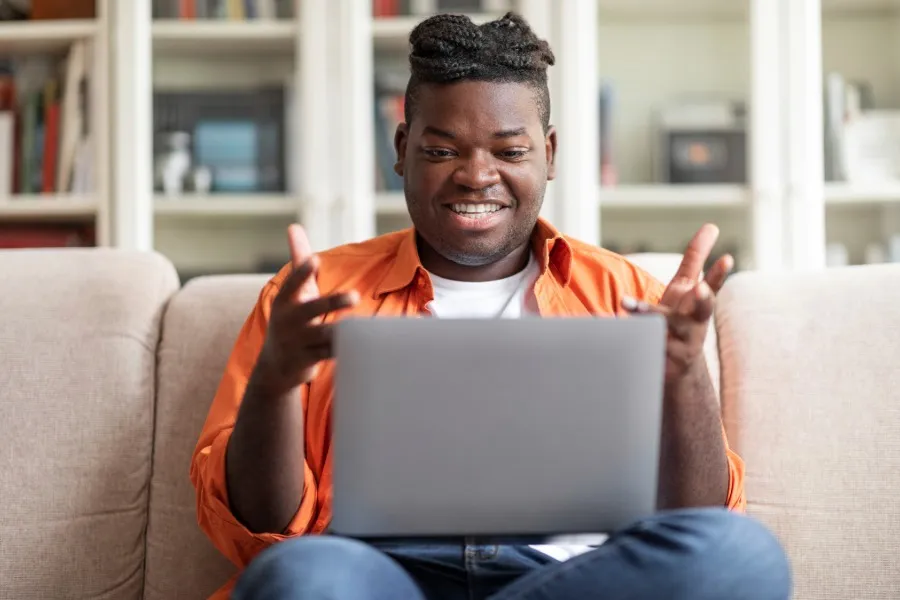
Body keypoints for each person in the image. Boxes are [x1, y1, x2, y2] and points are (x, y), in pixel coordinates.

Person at [190, 12, 791, 600]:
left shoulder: (627, 298)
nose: (477, 176)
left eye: (509, 151)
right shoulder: (310, 300)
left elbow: (696, 521)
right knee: (301, 578)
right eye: (442, 151)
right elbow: (256, 533)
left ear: (549, 155)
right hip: (375, 575)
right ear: (402, 149)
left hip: (571, 576)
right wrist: (275, 378)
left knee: (739, 555)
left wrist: (685, 376)